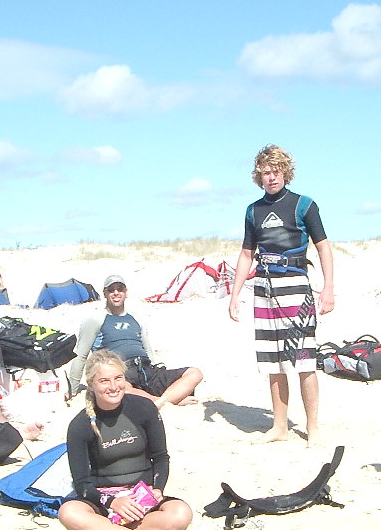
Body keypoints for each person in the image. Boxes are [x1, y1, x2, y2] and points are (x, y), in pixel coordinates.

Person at [227, 144, 334, 447]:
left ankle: (313, 427)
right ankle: (279, 426)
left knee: (304, 360)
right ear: (258, 176)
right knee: (272, 362)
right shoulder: (253, 210)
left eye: (276, 171)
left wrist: (328, 288)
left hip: (296, 287)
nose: (271, 177)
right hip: (264, 288)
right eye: (265, 173)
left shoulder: (304, 205)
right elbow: (246, 254)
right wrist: (234, 295)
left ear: (286, 172)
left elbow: (323, 247)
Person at [58, 350, 192, 530]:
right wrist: (112, 502)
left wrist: (157, 489)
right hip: (103, 501)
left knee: (181, 514)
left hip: (142, 497)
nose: (113, 387)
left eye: (118, 378)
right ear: (91, 384)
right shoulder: (80, 425)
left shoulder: (144, 409)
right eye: (104, 381)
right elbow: (82, 483)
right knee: (68, 513)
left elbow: (160, 457)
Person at [67, 275, 203, 409]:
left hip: (146, 368)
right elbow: (81, 355)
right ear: (105, 293)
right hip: (120, 370)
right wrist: (73, 390)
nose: (116, 292)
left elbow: (147, 349)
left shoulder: (136, 318)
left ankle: (161, 401)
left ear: (126, 292)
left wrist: (154, 369)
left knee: (194, 373)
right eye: (111, 289)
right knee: (121, 389)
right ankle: (167, 401)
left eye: (120, 289)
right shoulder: (95, 320)